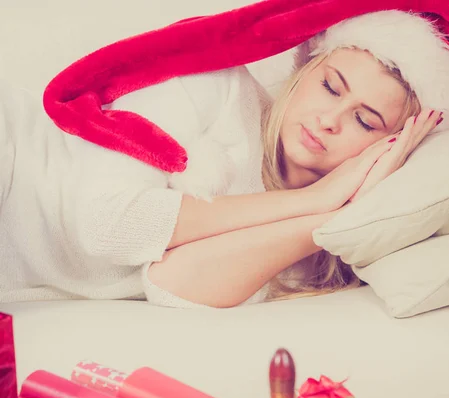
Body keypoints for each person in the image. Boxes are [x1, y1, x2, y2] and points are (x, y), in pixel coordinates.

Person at [0, 10, 447, 308]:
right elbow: (106, 227)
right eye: (330, 86)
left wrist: (331, 212)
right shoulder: (216, 83)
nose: (329, 120)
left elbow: (171, 285)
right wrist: (315, 198)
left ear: (390, 146)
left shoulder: (309, 247)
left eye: (365, 121)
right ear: (306, 68)